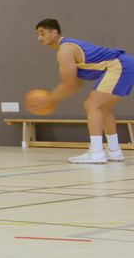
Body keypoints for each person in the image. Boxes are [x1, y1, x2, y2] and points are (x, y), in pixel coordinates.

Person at [31, 19, 129, 163]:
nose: (39, 38)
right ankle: (114, 151)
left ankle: (96, 153)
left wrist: (49, 100)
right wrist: (53, 99)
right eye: (38, 34)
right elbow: (76, 84)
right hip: (125, 65)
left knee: (92, 105)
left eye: (42, 33)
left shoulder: (65, 50)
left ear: (54, 32)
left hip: (120, 66)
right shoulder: (65, 49)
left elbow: (69, 84)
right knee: (104, 108)